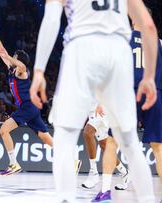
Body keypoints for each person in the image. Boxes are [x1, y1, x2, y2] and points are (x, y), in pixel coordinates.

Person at [30, 0, 158, 202]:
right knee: (130, 142)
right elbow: (148, 26)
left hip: (82, 48)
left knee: (64, 138)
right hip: (118, 52)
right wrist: (149, 76)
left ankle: (65, 197)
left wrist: (38, 70)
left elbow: (52, 19)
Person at [91, 18, 162, 202]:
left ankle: (105, 191)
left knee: (113, 142)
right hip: (154, 93)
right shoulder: (158, 41)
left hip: (128, 92)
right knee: (159, 147)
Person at [0, 17, 53, 176]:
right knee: (46, 139)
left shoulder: (22, 71)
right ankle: (72, 160)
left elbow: (21, 64)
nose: (11, 58)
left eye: (14, 57)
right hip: (30, 109)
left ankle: (14, 164)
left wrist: (9, 57)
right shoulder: (12, 69)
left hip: (28, 107)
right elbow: (0, 49)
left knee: (4, 130)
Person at [81, 104, 129, 189]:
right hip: (93, 108)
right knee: (105, 147)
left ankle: (93, 173)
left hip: (102, 105)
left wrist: (101, 102)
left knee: (87, 133)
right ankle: (125, 173)